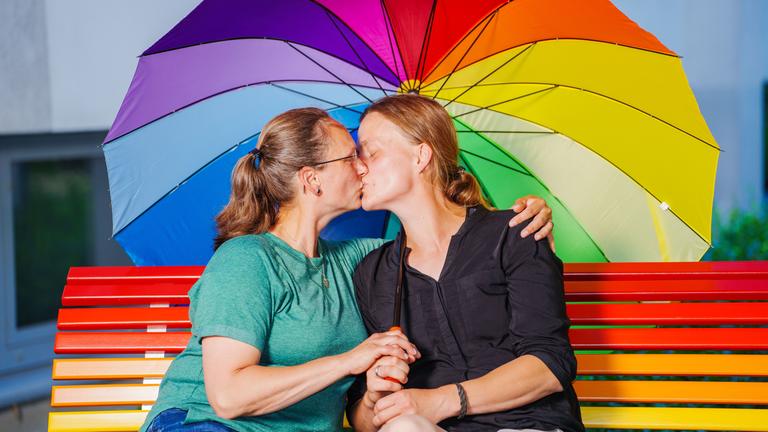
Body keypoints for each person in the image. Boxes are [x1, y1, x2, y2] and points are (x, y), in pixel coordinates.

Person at [140, 107, 554, 431]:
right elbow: (229, 395)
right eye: (351, 157)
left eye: (367, 155)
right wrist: (350, 361)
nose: (362, 167)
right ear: (312, 180)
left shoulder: (359, 260)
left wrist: (527, 217)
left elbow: (438, 242)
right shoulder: (246, 259)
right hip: (206, 424)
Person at [347, 95, 583, 432]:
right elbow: (363, 421)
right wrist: (374, 397)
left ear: (420, 156)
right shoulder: (373, 273)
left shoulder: (514, 232)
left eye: (371, 152)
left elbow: (550, 364)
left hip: (530, 424)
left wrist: (440, 400)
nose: (358, 167)